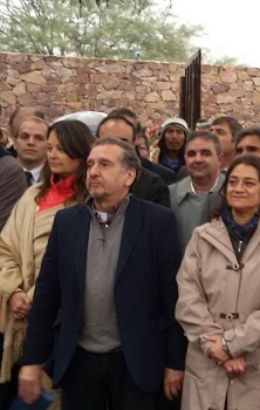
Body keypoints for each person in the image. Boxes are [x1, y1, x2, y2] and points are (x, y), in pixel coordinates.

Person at [16, 137, 186, 409]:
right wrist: (31, 361)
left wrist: (175, 363)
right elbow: (47, 295)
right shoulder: (67, 223)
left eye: (105, 164)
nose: (93, 171)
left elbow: (173, 297)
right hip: (79, 361)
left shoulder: (158, 222)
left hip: (136, 361)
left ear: (129, 175)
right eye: (90, 164)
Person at [176, 156, 260, 410]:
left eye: (248, 183)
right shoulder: (202, 236)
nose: (238, 188)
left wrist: (233, 345)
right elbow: (188, 296)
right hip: (208, 361)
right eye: (233, 182)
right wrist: (216, 346)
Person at [0, 120, 93, 408]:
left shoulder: (87, 204)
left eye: (63, 150)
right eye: (50, 148)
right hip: (19, 316)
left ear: (80, 155)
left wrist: (34, 297)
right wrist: (14, 290)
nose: (53, 155)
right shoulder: (31, 197)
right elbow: (5, 247)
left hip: (61, 319)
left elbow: (78, 265)